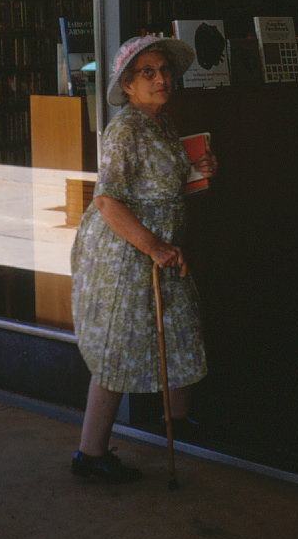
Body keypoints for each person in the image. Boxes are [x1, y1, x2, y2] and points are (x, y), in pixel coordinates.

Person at [69, 34, 217, 483]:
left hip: (160, 250)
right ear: (128, 86)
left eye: (165, 70)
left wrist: (199, 170)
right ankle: (89, 455)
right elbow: (107, 201)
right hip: (127, 255)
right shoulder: (125, 129)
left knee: (175, 325)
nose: (161, 78)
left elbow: (159, 185)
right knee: (119, 347)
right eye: (148, 72)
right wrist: (153, 245)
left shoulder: (162, 123)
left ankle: (177, 423)